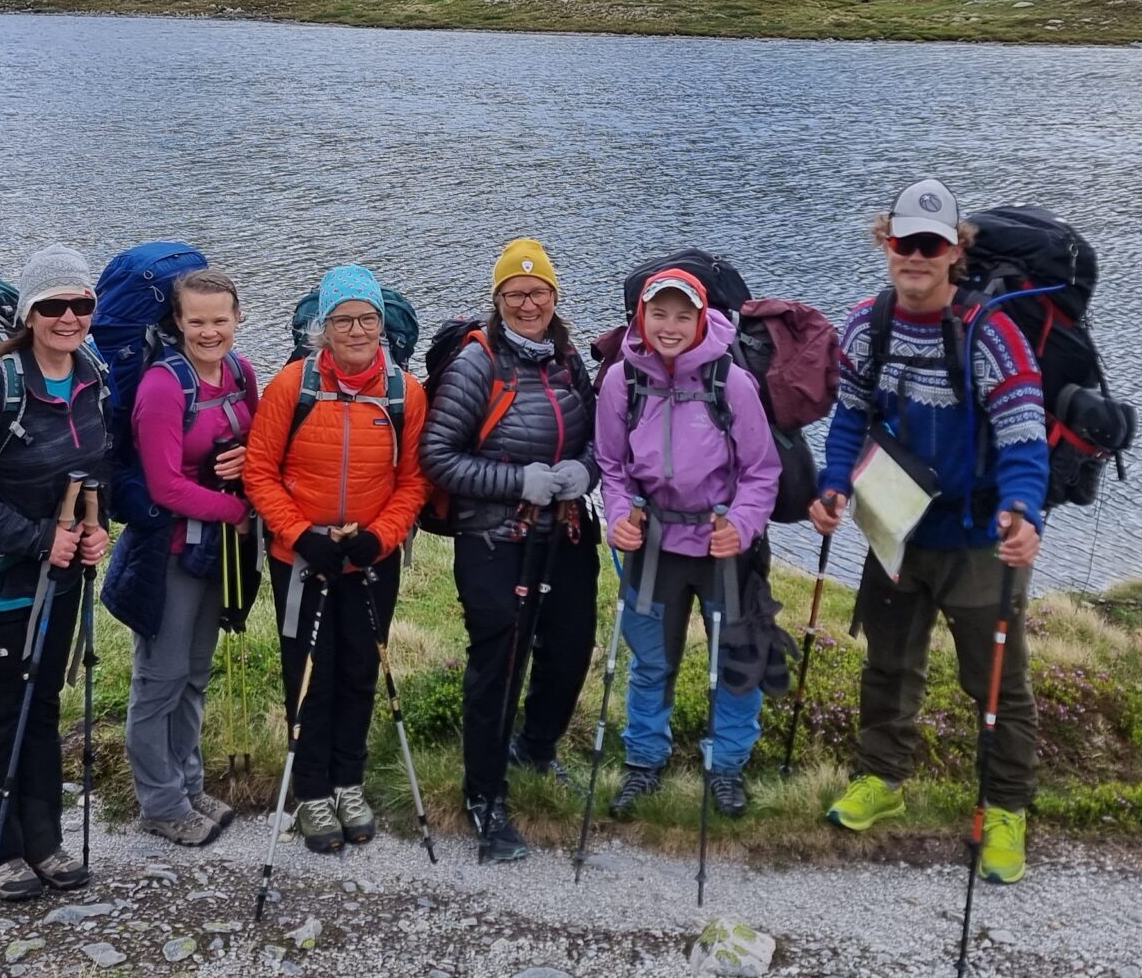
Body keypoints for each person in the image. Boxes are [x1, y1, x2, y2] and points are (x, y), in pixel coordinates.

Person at [807, 177, 1048, 883]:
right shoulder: (865, 326)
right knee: (889, 662)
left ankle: (1004, 811)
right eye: (903, 242)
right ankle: (881, 779)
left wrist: (1023, 512)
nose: (915, 256)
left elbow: (1024, 440)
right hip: (894, 527)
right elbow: (850, 417)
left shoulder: (990, 335)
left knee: (996, 683)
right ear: (886, 244)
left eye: (930, 245)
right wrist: (831, 486)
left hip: (978, 538)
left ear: (953, 252)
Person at [0, 244, 113, 899]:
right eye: (54, 305)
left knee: (42, 711)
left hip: (56, 584)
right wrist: (39, 540)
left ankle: (46, 844)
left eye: (81, 304)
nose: (69, 316)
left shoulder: (92, 376)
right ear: (29, 313)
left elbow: (97, 470)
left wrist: (96, 529)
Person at [419, 238, 598, 863]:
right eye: (515, 293)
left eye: (538, 291)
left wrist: (586, 471)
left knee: (571, 648)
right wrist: (520, 481)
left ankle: (538, 749)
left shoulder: (569, 359)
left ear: (554, 296)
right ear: (497, 299)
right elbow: (438, 458)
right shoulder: (478, 364)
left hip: (567, 530)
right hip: (494, 538)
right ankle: (485, 797)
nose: (528, 303)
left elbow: (600, 438)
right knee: (499, 663)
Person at [243, 265, 431, 855]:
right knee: (309, 674)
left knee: (360, 671)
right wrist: (303, 537)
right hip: (302, 558)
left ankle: (350, 782)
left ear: (382, 325)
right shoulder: (290, 386)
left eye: (367, 319)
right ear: (322, 329)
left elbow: (414, 482)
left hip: (373, 557)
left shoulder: (406, 393)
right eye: (343, 320)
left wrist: (381, 537)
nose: (356, 330)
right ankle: (312, 791)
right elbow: (259, 472)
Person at [593, 267, 780, 819]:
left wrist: (742, 526)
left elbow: (761, 470)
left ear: (702, 318)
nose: (670, 326)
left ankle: (726, 767)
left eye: (682, 314)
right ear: (641, 317)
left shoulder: (732, 383)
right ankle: (645, 761)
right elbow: (611, 463)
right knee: (651, 659)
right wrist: (620, 515)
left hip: (725, 545)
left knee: (737, 658)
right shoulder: (620, 381)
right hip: (654, 546)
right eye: (659, 313)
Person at [112, 267, 257, 847]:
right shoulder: (162, 387)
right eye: (196, 320)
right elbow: (165, 487)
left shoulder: (242, 374)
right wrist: (238, 514)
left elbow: (263, 443)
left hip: (215, 555)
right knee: (160, 680)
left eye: (220, 319)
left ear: (238, 318)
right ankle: (161, 803)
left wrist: (246, 460)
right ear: (176, 321)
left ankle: (189, 786)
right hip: (169, 553)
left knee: (195, 675)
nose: (209, 331)